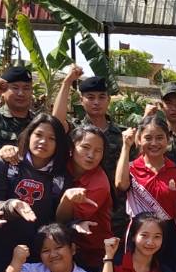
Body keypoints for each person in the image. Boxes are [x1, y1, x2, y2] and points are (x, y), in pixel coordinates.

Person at [0, 113, 75, 272]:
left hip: (35, 259)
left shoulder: (61, 178)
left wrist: (77, 223)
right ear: (29, 135)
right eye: (38, 134)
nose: (43, 141)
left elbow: (58, 220)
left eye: (51, 138)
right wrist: (12, 205)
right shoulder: (5, 163)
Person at [51, 66, 127, 237]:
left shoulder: (123, 135)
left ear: (108, 100)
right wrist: (67, 82)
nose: (96, 102)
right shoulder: (76, 129)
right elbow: (56, 123)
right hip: (76, 209)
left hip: (116, 215)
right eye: (90, 97)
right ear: (81, 100)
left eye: (101, 97)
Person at [117, 112, 176, 269]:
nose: (154, 143)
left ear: (168, 139)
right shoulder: (130, 169)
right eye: (148, 138)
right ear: (139, 139)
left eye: (159, 138)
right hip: (139, 235)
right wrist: (126, 146)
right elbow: (120, 184)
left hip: (169, 236)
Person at [64, 123, 116, 272]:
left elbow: (64, 219)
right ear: (72, 147)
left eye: (98, 151)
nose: (91, 155)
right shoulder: (62, 165)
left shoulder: (99, 184)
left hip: (91, 255)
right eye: (85, 147)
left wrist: (66, 198)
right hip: (64, 247)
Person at [0, 65, 37, 149]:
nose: (21, 93)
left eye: (26, 88)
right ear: (2, 91)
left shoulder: (37, 122)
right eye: (15, 88)